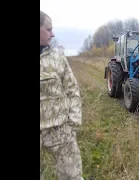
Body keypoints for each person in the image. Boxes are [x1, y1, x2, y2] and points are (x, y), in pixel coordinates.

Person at [40, 10, 83, 180]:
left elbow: (72, 90)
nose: (53, 34)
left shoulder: (57, 57)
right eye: (48, 29)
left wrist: (72, 123)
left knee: (72, 176)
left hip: (60, 129)